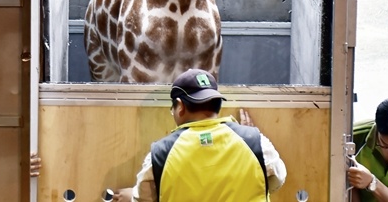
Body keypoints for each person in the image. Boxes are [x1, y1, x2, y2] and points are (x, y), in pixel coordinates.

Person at [117, 68, 287, 202]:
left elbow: (142, 198)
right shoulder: (256, 143)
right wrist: (251, 138)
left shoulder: (160, 154)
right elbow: (277, 180)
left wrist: (131, 194)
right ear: (217, 104)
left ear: (180, 106)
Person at [346, 97, 388, 202]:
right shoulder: (353, 136)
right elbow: (346, 185)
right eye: (385, 144)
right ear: (378, 128)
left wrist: (372, 183)